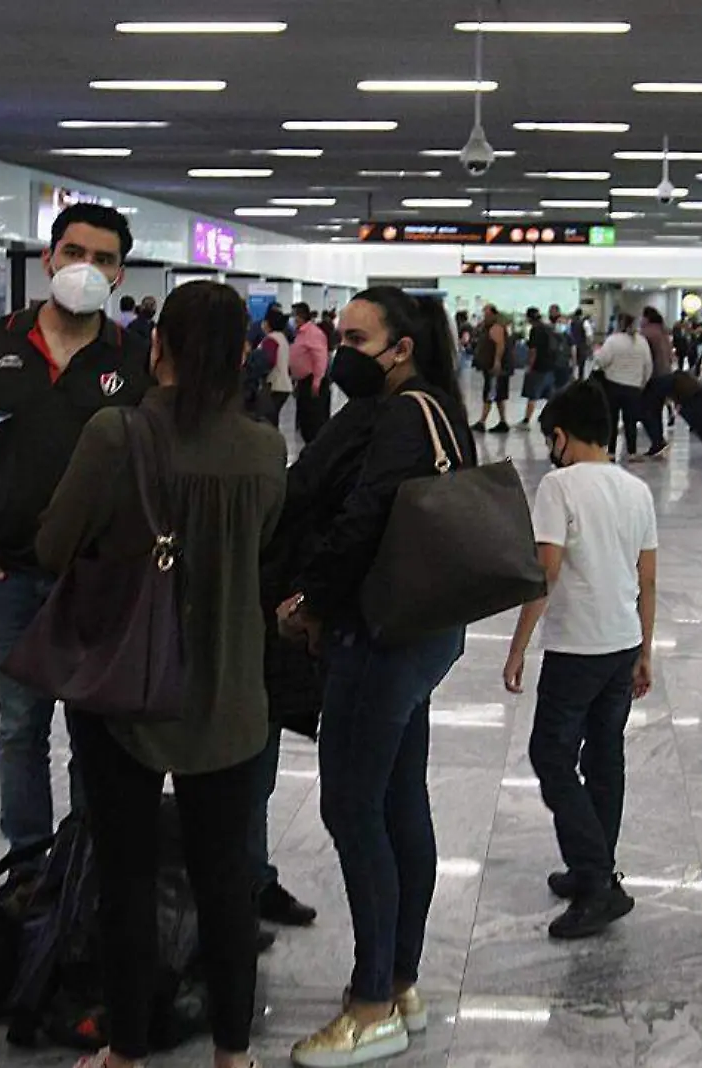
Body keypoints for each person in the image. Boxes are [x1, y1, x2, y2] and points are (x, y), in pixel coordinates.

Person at [34, 280, 282, 1068]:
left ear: (157, 346)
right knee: (225, 882)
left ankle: (126, 1050)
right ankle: (234, 1053)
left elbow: (51, 546)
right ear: (244, 355)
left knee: (128, 877)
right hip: (233, 691)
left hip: (126, 686)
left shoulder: (118, 434)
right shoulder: (265, 448)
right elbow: (264, 547)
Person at [276, 286, 474, 1067]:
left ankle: (370, 1006)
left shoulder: (400, 414)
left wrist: (310, 600)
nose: (340, 349)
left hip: (380, 635)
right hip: (423, 629)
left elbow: (365, 518)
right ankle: (401, 980)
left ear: (401, 349)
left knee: (354, 809)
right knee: (398, 804)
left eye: (356, 339)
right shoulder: (441, 409)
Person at [0, 202, 152, 872]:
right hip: (4, 569)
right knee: (20, 725)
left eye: (105, 258)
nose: (87, 267)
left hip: (98, 575)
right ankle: (28, 864)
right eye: (76, 252)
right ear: (48, 258)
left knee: (95, 728)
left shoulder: (134, 358)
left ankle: (88, 861)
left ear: (120, 274)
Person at [502, 379, 657, 941]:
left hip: (576, 648)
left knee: (550, 752)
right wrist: (646, 647)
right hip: (619, 643)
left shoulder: (558, 486)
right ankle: (593, 866)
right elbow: (648, 577)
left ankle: (597, 879)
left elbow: (547, 570)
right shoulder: (636, 489)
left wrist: (518, 645)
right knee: (604, 755)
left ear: (562, 435)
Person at [594, 312, 654, 462]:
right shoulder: (641, 341)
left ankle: (611, 451)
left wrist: (596, 352)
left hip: (613, 385)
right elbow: (648, 365)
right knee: (631, 421)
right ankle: (632, 452)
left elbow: (601, 361)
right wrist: (642, 382)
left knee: (612, 420)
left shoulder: (613, 341)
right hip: (633, 387)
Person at [291, 300, 331, 443]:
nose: (293, 319)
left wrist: (317, 381)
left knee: (313, 421)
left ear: (301, 316)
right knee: (305, 419)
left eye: (294, 315)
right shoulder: (301, 333)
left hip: (312, 381)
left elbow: (320, 357)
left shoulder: (313, 333)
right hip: (303, 381)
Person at [638, 307, 675, 460]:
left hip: (654, 376)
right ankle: (658, 442)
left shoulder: (647, 333)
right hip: (666, 375)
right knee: (656, 410)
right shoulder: (663, 332)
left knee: (644, 410)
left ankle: (657, 441)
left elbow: (645, 357)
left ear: (647, 318)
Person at [472, 304, 512, 433]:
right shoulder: (489, 326)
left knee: (490, 392)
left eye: (487, 314)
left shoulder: (496, 328)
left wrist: (497, 362)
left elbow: (500, 345)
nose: (485, 316)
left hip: (495, 368)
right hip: (492, 366)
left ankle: (482, 422)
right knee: (498, 394)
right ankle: (503, 421)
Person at [519, 306, 556, 429]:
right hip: (550, 366)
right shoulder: (548, 328)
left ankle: (526, 421)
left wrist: (530, 366)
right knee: (549, 395)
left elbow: (533, 350)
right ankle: (551, 417)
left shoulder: (535, 330)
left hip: (539, 366)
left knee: (532, 395)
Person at [260, 304, 294, 427]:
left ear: (268, 324)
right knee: (273, 419)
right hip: (284, 385)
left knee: (269, 421)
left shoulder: (271, 339)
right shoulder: (282, 338)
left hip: (274, 385)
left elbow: (268, 361)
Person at [570, 309, 593, 380]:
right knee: (581, 365)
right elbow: (589, 336)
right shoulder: (585, 322)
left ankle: (572, 378)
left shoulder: (572, 322)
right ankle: (580, 380)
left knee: (573, 363)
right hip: (582, 345)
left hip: (572, 344)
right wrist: (589, 345)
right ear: (581, 314)